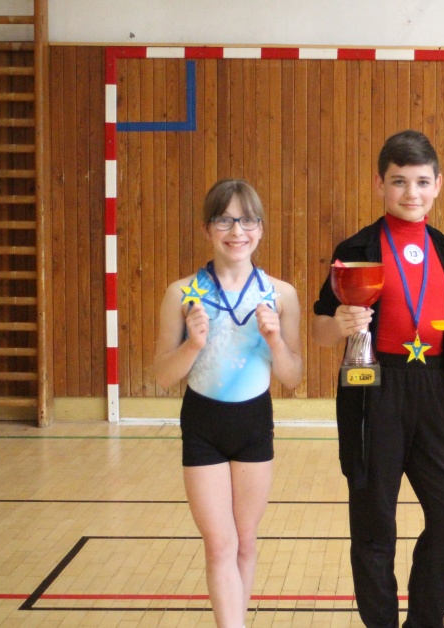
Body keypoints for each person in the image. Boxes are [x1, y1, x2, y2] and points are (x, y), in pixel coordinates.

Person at [312, 130, 444, 627]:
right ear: (380, 183)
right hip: (373, 389)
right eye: (399, 181)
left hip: (435, 392)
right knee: (375, 525)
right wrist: (338, 324)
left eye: (421, 181)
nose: (410, 193)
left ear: (438, 184)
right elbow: (319, 331)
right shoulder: (355, 249)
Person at [153, 178, 303, 628]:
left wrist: (275, 341)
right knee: (219, 544)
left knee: (245, 542)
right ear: (207, 228)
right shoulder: (182, 293)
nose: (237, 231)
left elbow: (292, 377)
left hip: (254, 423)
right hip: (203, 425)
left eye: (248, 220)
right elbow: (163, 376)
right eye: (225, 220)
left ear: (261, 228)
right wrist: (192, 345)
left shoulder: (281, 294)